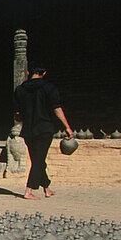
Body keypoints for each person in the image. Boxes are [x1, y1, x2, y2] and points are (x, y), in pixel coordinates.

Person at [14, 62, 74, 200]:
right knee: (39, 160)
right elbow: (57, 109)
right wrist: (67, 127)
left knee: (37, 159)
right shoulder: (49, 88)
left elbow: (17, 114)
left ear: (29, 73)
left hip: (28, 129)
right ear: (44, 73)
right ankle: (28, 191)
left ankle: (47, 188)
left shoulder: (19, 90)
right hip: (44, 128)